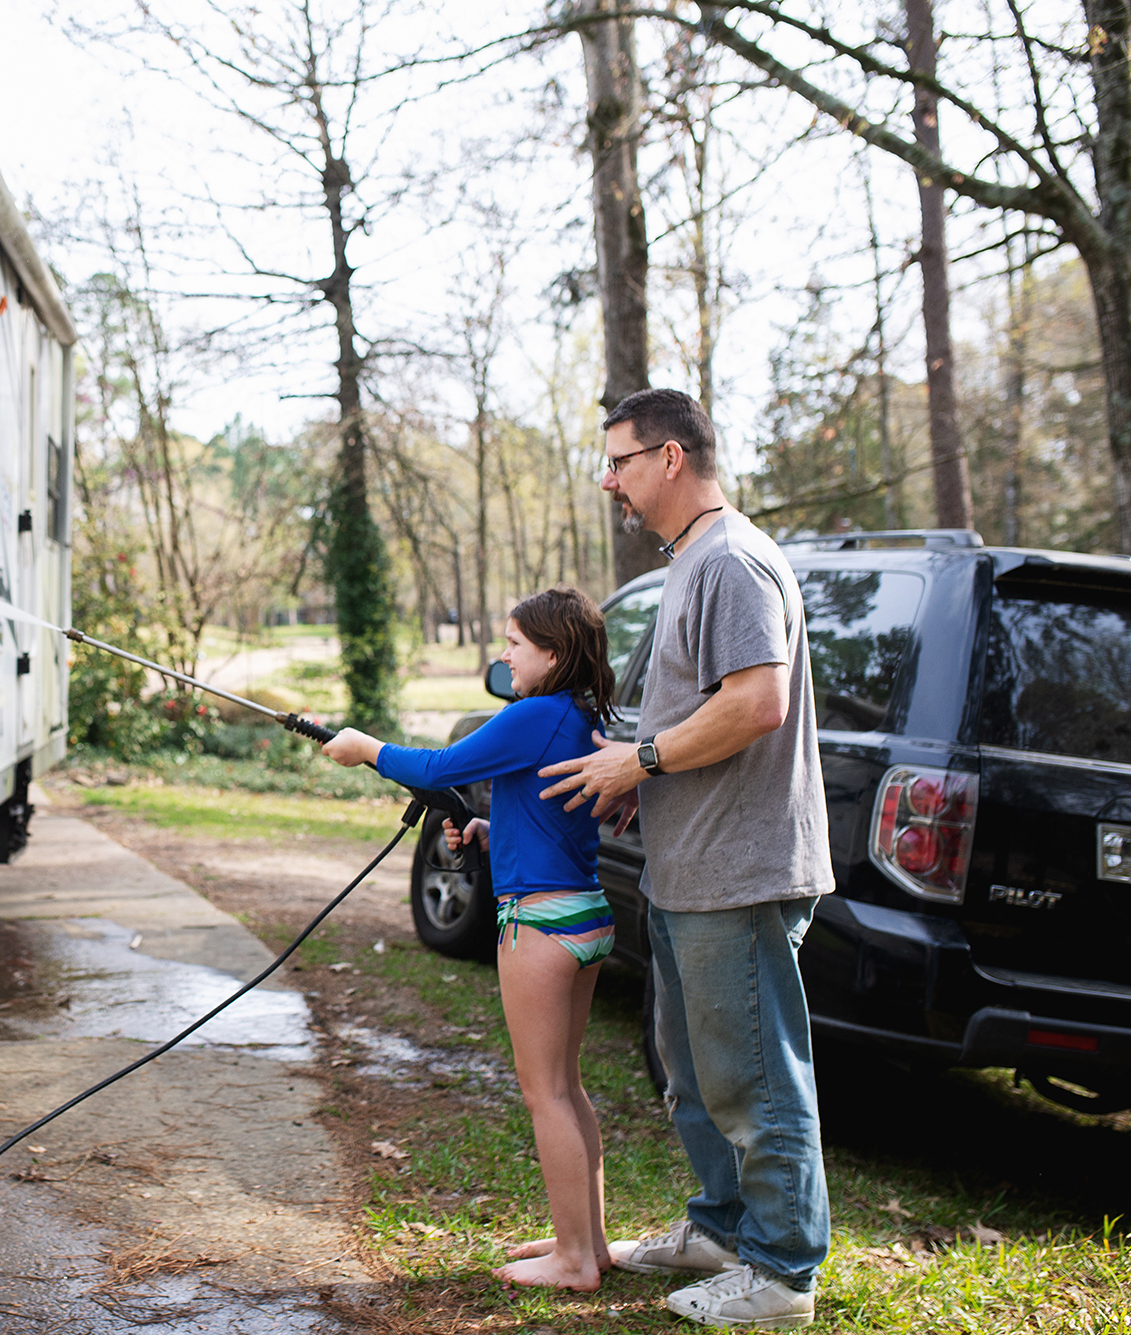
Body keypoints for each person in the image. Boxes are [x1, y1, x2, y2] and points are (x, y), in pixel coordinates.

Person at [538, 387, 833, 1330]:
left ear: (671, 458)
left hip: (738, 874)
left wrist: (645, 757)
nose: (609, 479)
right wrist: (637, 773)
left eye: (619, 461)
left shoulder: (734, 561)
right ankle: (722, 1229)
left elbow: (757, 703)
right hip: (687, 868)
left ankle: (782, 1276)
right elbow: (699, 706)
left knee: (752, 1076)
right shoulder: (693, 562)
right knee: (696, 1073)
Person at [323, 586, 620, 1291]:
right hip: (583, 913)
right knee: (567, 1086)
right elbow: (549, 813)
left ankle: (574, 1261)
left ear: (552, 653)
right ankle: (589, 1242)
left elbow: (435, 769)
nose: (504, 656)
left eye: (514, 644)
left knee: (543, 1090)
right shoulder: (575, 715)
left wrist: (365, 747)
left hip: (540, 926)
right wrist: (493, 830)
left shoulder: (534, 713)